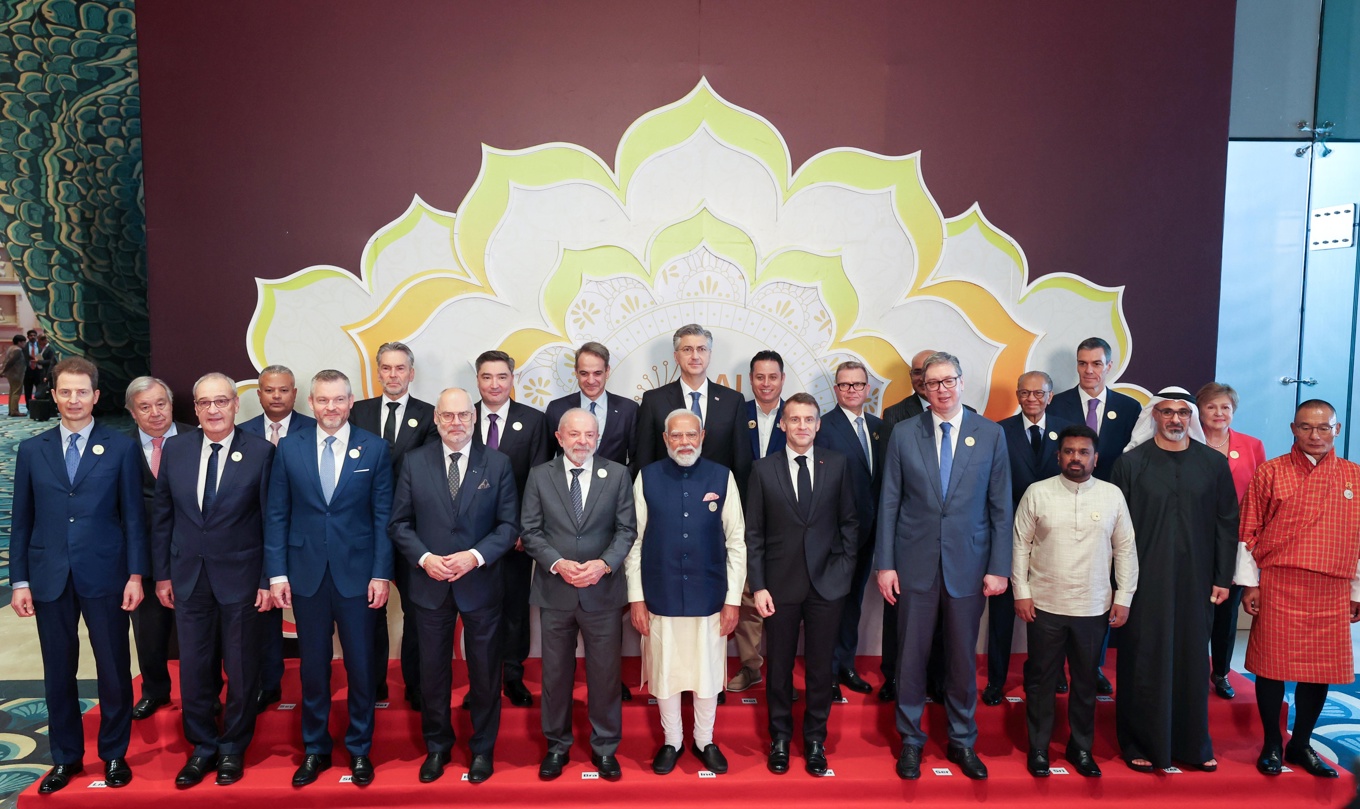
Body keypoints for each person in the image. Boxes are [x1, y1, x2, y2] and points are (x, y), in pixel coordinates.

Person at [9, 357, 147, 793]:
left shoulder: (121, 448)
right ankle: (66, 758)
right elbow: (22, 521)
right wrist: (19, 580)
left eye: (81, 391)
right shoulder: (32, 450)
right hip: (49, 576)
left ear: (96, 396)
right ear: (54, 395)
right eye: (65, 392)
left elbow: (134, 520)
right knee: (58, 672)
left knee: (112, 668)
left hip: (106, 575)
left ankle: (114, 755)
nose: (73, 399)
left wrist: (136, 574)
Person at [874, 351, 1011, 781]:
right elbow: (889, 502)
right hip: (913, 565)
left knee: (961, 660)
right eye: (933, 383)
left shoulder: (989, 434)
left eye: (949, 380)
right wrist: (885, 564)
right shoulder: (903, 434)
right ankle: (911, 740)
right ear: (923, 388)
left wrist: (999, 566)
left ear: (962, 382)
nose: (942, 389)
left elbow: (1000, 507)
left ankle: (962, 740)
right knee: (910, 659)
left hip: (969, 567)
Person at [265, 370, 393, 787]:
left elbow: (381, 517)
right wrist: (277, 573)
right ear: (312, 403)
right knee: (313, 668)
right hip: (305, 576)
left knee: (360, 666)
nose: (331, 408)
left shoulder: (374, 449)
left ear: (351, 401)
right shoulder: (289, 447)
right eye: (323, 400)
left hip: (358, 576)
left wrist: (381, 574)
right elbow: (277, 513)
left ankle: (359, 749)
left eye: (339, 400)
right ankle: (315, 749)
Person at [389, 387, 519, 784]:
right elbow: (399, 524)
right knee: (432, 673)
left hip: (479, 583)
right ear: (436, 419)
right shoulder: (414, 462)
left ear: (475, 418)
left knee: (483, 672)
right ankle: (437, 747)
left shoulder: (497, 464)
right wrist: (426, 559)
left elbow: (508, 526)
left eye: (463, 415)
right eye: (448, 416)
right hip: (429, 584)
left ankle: (482, 749)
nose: (456, 423)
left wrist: (474, 557)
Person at [150, 374, 274, 787]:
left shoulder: (261, 452)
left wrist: (265, 579)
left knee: (240, 669)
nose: (213, 410)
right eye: (204, 403)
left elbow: (271, 521)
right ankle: (202, 746)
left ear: (237, 404)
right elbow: (163, 515)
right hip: (187, 579)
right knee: (195, 668)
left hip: (241, 577)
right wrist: (163, 574)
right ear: (197, 409)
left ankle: (232, 748)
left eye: (221, 401)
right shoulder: (177, 449)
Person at [1111, 387, 1237, 773]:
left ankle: (1192, 743)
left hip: (1198, 582)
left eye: (1183, 413)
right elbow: (1117, 532)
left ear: (1191, 419)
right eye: (1167, 412)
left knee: (1193, 661)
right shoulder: (1130, 464)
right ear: (1155, 417)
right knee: (1144, 660)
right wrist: (1121, 587)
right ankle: (1139, 741)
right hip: (1143, 584)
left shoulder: (1212, 464)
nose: (1176, 420)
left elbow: (1226, 522)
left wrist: (1222, 577)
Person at [1237, 399, 1360, 778]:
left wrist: (1356, 591)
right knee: (1272, 668)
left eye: (1324, 428)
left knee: (1319, 671)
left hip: (1332, 586)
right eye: (1306, 427)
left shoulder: (1354, 477)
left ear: (1336, 430)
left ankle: (1301, 743)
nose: (1315, 435)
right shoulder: (1270, 472)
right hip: (1279, 582)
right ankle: (1273, 742)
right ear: (1293, 429)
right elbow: (1248, 532)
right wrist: (1249, 584)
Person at [1012, 425, 1138, 778]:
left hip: (1093, 607)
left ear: (1095, 459)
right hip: (1045, 604)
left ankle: (1081, 748)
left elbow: (1125, 548)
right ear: (1058, 456)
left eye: (1084, 452)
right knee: (1040, 680)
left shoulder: (1112, 495)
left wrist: (1123, 596)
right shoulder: (1038, 493)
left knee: (1085, 682)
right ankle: (1038, 748)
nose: (1076, 458)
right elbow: (1019, 544)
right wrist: (1021, 592)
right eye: (1069, 452)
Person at [627, 409, 745, 775]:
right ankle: (672, 740)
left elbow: (737, 542)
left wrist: (732, 600)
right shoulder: (646, 478)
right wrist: (636, 597)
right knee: (664, 672)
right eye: (676, 436)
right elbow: (634, 541)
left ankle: (704, 739)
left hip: (710, 596)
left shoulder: (722, 477)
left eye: (690, 435)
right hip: (659, 595)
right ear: (665, 439)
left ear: (702, 435)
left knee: (708, 673)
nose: (684, 442)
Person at [521, 408, 637, 781]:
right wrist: (559, 564)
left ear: (597, 438)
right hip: (556, 590)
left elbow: (626, 530)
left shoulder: (618, 474)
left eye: (589, 435)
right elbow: (531, 531)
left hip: (601, 592)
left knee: (605, 675)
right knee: (555, 675)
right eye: (575, 435)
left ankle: (605, 748)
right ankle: (557, 746)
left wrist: (603, 565)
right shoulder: (540, 476)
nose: (582, 441)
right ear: (559, 436)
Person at [745, 393, 858, 776]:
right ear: (782, 424)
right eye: (794, 420)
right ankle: (779, 738)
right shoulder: (762, 470)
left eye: (809, 419)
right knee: (778, 667)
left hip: (828, 584)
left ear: (818, 423)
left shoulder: (838, 464)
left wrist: (843, 570)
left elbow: (849, 524)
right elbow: (754, 535)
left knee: (820, 667)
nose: (802, 426)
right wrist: (758, 585)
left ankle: (814, 740)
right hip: (778, 586)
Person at [1047, 336, 1142, 693]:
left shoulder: (1130, 408)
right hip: (1063, 502)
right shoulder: (1059, 404)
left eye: (1097, 364)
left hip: (1108, 508)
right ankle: (1055, 667)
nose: (1089, 371)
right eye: (1083, 363)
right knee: (1058, 584)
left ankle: (1093, 666)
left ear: (1109, 366)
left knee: (1101, 588)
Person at [349, 342, 439, 710]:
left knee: (417, 612)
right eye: (385, 368)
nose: (393, 375)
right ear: (377, 372)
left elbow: (428, 470)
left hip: (413, 530)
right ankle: (374, 683)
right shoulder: (357, 412)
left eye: (400, 368)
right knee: (371, 610)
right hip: (365, 530)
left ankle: (416, 685)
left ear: (411, 373)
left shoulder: (431, 414)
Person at [987, 372, 1073, 705]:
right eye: (1025, 392)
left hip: (1057, 535)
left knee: (1055, 611)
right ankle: (996, 679)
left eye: (1039, 393)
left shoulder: (1066, 430)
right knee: (1002, 614)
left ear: (1051, 396)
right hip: (1009, 534)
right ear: (1018, 395)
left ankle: (1055, 672)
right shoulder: (999, 431)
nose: (1032, 398)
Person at [125, 376, 204, 721]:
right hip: (144, 557)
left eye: (162, 404)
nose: (156, 413)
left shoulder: (199, 438)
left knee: (200, 634)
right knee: (149, 632)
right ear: (132, 413)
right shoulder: (120, 448)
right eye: (145, 407)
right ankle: (155, 690)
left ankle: (202, 695)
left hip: (195, 555)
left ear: (172, 404)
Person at [238, 364, 316, 713]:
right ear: (259, 394)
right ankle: (267, 684)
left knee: (313, 615)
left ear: (295, 393)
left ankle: (315, 689)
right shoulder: (241, 433)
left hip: (305, 538)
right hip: (255, 539)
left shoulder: (315, 430)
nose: (276, 396)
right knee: (263, 614)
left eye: (284, 390)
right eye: (269, 390)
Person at [473, 349, 548, 707]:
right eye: (487, 377)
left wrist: (523, 530)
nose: (494, 384)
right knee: (478, 613)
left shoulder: (533, 421)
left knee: (515, 609)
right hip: (471, 542)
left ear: (512, 380)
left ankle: (513, 676)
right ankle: (481, 683)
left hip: (516, 538)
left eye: (501, 377)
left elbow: (537, 480)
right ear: (478, 380)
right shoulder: (461, 417)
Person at [814, 360, 886, 702]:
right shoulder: (823, 427)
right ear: (835, 390)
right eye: (844, 385)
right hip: (834, 534)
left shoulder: (879, 427)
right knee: (831, 604)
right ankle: (825, 671)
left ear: (868, 390)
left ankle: (845, 664)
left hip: (870, 532)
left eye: (858, 385)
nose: (851, 391)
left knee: (854, 601)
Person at [1196, 381, 1266, 700]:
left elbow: (1262, 495)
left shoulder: (1252, 446)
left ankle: (1221, 672)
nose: (1218, 413)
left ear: (1233, 411)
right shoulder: (1187, 442)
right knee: (1195, 610)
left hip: (1236, 541)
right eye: (1211, 406)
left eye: (1225, 407)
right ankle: (1192, 669)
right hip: (1194, 540)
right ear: (1200, 410)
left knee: (1226, 615)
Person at [632, 324, 752, 489]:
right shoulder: (654, 400)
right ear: (676, 356)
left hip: (719, 495)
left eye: (701, 349)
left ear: (709, 354)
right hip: (667, 493)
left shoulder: (733, 401)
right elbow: (644, 460)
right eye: (687, 349)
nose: (695, 356)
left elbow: (742, 461)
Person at [728, 349, 786, 694]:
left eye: (773, 376)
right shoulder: (738, 413)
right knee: (748, 597)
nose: (766, 383)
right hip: (745, 519)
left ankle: (780, 673)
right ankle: (751, 667)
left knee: (784, 600)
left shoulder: (797, 415)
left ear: (782, 379)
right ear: (750, 380)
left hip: (788, 523)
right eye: (759, 377)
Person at [544, 341, 638, 466]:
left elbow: (636, 459)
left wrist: (621, 483)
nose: (591, 380)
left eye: (597, 373)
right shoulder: (557, 409)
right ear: (576, 372)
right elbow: (546, 460)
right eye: (584, 373)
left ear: (607, 371)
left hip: (614, 485)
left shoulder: (628, 409)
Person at [3, 334, 26, 416]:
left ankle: (11, 410)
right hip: (16, 374)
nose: (24, 344)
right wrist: (3, 371)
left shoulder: (11, 348)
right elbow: (10, 362)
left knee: (12, 392)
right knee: (16, 392)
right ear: (19, 342)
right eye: (23, 342)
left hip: (12, 374)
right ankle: (14, 411)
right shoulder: (17, 350)